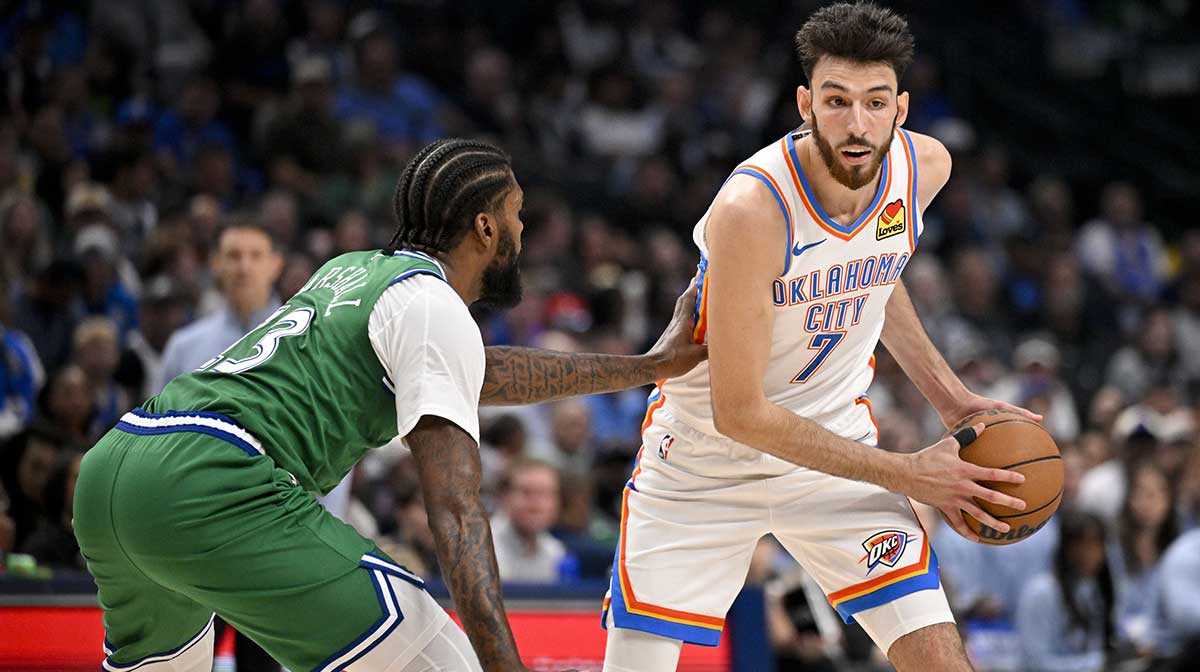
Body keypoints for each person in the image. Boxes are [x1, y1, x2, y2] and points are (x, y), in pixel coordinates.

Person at [73, 137, 705, 672]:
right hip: (211, 480)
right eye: (517, 214)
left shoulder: (353, 271)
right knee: (437, 655)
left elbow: (480, 372)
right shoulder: (435, 308)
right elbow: (457, 515)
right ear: (486, 227)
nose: (522, 228)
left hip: (114, 471)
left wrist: (646, 368)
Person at [599, 5, 1039, 671]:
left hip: (834, 453)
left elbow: (877, 271)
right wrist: (910, 473)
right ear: (806, 103)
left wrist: (950, 398)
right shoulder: (754, 211)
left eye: (875, 102)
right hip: (704, 464)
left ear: (901, 107)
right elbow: (740, 413)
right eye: (836, 101)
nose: (857, 124)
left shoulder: (924, 169)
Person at [155, 216, 284, 391]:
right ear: (215, 263)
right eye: (234, 255)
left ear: (275, 264)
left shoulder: (305, 343)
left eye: (256, 256)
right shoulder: (183, 348)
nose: (244, 267)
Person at [1014, 512, 1113, 672]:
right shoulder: (1041, 592)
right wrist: (1098, 663)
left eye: (1097, 544)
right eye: (1082, 545)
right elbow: (1034, 665)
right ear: (1065, 547)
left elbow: (1093, 651)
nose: (1091, 553)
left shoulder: (1093, 592)